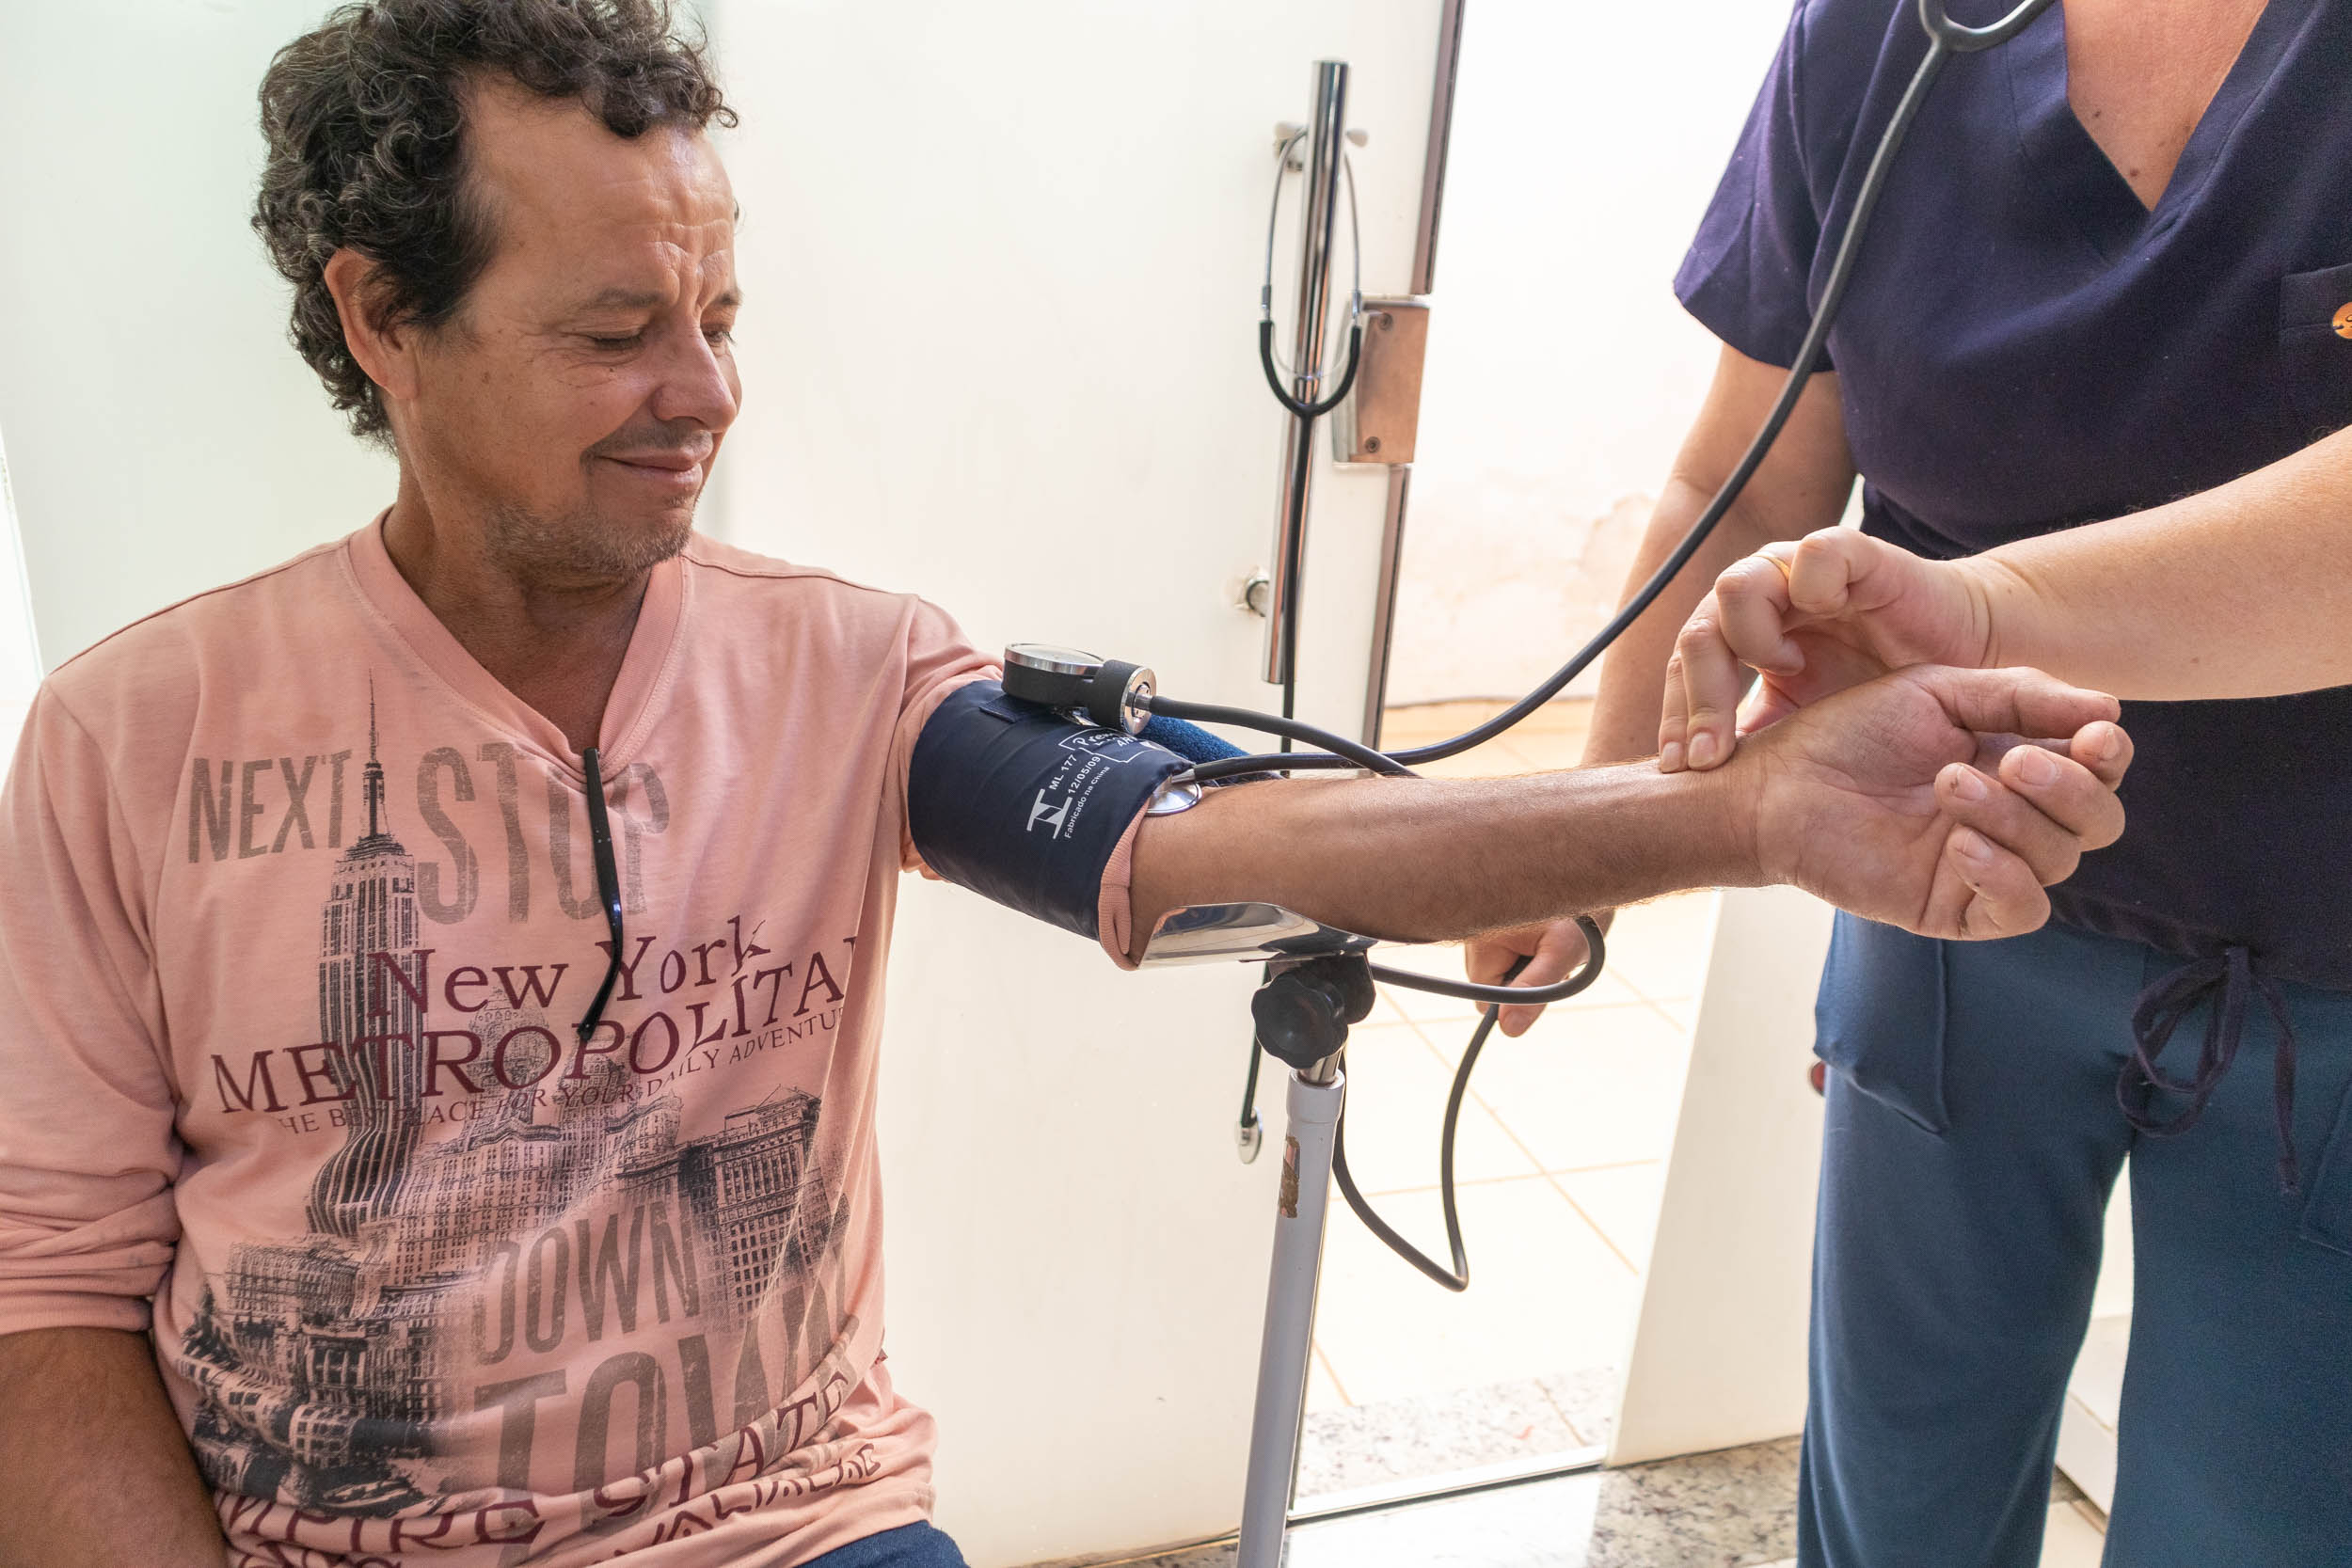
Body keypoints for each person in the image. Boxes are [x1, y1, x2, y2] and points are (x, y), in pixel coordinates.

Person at [0, 4, 2133, 1567]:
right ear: (382, 315)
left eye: (724, 313)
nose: (708, 394)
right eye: (614, 332)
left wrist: (1743, 823)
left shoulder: (835, 669)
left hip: (789, 1530)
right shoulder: (131, 743)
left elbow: (1235, 842)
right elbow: (44, 1301)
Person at [1579, 0, 2352, 1563]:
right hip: (1956, 908)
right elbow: (1739, 478)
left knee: (2252, 1525)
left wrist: (1991, 610)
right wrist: (1594, 831)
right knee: (1894, 1498)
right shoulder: (1885, 32)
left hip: (2326, 986)